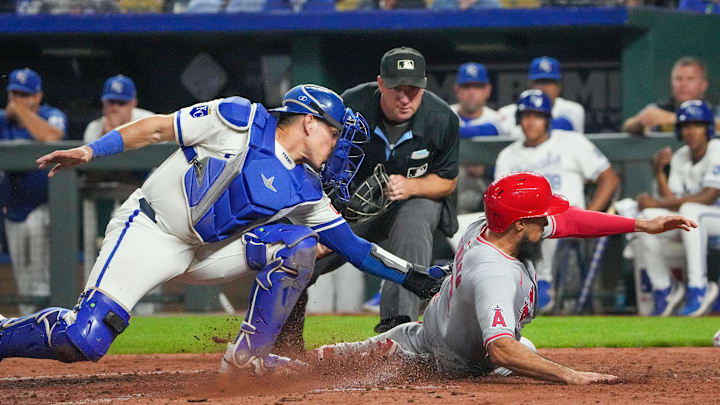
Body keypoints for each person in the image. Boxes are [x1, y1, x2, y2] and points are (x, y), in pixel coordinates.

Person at [0, 84, 446, 374]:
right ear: (309, 121)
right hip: (151, 232)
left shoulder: (309, 189)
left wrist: (415, 276)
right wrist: (91, 151)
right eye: (334, 134)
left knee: (299, 245)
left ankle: (246, 358)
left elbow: (355, 248)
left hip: (211, 252)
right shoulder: (240, 119)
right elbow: (157, 129)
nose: (339, 147)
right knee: (86, 339)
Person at [312, 172, 696, 383]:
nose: (548, 220)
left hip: (430, 334)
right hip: (455, 363)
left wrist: (642, 224)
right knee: (519, 348)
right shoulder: (495, 271)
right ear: (519, 224)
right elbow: (501, 349)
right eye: (540, 217)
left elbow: (572, 221)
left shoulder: (493, 227)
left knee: (336, 358)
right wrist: (571, 375)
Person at [277, 47, 459, 343]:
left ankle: (396, 336)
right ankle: (282, 341)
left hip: (410, 202)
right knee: (300, 253)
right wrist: (319, 226)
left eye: (413, 89)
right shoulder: (350, 106)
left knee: (414, 223)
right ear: (380, 83)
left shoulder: (442, 119)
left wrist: (412, 186)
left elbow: (447, 181)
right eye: (396, 88)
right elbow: (312, 162)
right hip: (351, 206)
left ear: (424, 85)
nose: (404, 97)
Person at [493, 89, 619, 313]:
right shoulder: (508, 155)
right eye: (526, 116)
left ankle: (544, 284)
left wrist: (590, 214)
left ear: (547, 120)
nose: (531, 122)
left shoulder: (572, 142)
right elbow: (499, 198)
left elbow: (608, 178)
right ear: (518, 120)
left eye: (537, 116)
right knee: (474, 226)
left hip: (564, 215)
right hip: (520, 221)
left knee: (547, 218)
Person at [632, 100, 720, 317]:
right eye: (686, 126)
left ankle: (698, 288)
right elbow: (674, 200)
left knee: (691, 209)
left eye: (697, 125)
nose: (691, 131)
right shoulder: (681, 156)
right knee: (646, 218)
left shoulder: (717, 148)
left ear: (707, 128)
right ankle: (665, 289)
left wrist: (658, 202)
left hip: (712, 214)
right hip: (699, 221)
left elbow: (709, 196)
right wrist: (660, 174)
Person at [0, 68, 67, 315]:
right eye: (14, 94)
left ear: (37, 96)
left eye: (24, 94)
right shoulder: (2, 120)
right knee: (23, 277)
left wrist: (21, 111)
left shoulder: (52, 115)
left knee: (42, 273)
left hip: (43, 204)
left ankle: (46, 318)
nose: (17, 99)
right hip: (13, 206)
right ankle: (26, 322)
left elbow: (53, 137)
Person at [450, 62, 506, 214]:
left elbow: (512, 161)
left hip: (484, 191)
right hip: (450, 192)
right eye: (466, 86)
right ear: (457, 90)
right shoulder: (445, 114)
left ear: (487, 90)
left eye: (477, 87)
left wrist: (486, 169)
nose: (472, 92)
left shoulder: (499, 119)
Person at [498, 56, 585, 138]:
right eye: (539, 82)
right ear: (530, 85)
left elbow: (565, 133)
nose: (544, 87)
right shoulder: (507, 112)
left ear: (559, 87)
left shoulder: (573, 110)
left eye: (549, 82)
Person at [623, 57, 710, 135]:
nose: (683, 84)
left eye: (690, 79)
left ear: (703, 85)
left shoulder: (712, 109)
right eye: (678, 79)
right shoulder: (659, 109)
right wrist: (640, 124)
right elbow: (628, 126)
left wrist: (673, 119)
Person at [84, 75, 153, 143]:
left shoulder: (149, 121)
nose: (115, 108)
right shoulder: (94, 127)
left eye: (122, 103)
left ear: (134, 103)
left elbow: (161, 150)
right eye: (111, 102)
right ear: (104, 102)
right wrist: (104, 136)